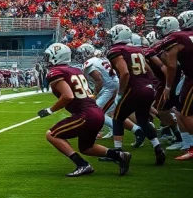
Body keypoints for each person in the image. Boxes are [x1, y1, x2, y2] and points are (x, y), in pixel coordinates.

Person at [37, 43, 131, 177]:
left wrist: (50, 110)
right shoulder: (75, 70)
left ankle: (82, 165)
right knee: (87, 148)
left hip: (86, 114)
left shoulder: (56, 72)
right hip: (96, 112)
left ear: (57, 57)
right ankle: (119, 155)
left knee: (51, 135)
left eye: (48, 56)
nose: (46, 60)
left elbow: (68, 96)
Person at [107, 24, 165, 165]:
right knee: (143, 120)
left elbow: (125, 73)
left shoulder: (116, 50)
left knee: (117, 118)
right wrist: (152, 84)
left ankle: (118, 153)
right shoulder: (136, 49)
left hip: (134, 88)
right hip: (147, 87)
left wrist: (120, 93)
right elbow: (147, 69)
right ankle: (158, 147)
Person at [158, 15, 193, 160]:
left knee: (185, 113)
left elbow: (171, 66)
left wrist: (167, 86)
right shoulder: (188, 35)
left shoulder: (176, 38)